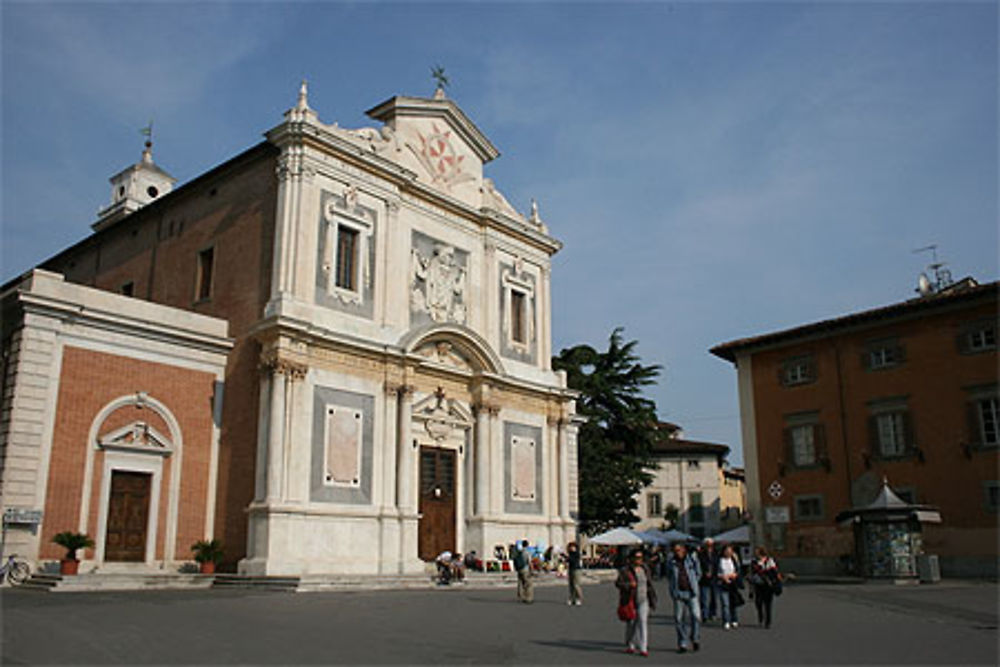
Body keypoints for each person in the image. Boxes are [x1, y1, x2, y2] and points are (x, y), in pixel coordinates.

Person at [616, 549, 657, 657]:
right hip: (630, 600)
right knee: (631, 623)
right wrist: (629, 584)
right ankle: (630, 644)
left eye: (641, 558)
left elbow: (649, 584)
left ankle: (643, 648)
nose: (639, 560)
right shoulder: (625, 570)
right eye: (637, 558)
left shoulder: (645, 569)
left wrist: (652, 598)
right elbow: (618, 583)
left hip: (644, 599)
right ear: (632, 558)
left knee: (643, 622)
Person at [665, 541, 702, 654]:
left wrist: (694, 582)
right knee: (679, 619)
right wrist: (672, 589)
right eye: (675, 551)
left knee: (696, 616)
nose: (678, 553)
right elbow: (668, 575)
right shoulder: (671, 562)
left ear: (684, 550)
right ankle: (683, 642)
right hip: (678, 593)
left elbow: (698, 573)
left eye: (679, 550)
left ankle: (695, 638)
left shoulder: (691, 559)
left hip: (691, 592)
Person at [749, 547, 782, 628]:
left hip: (768, 585)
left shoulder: (770, 561)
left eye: (757, 552)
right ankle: (761, 616)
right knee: (758, 602)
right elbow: (752, 573)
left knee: (768, 604)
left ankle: (768, 622)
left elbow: (775, 572)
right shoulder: (754, 562)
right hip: (758, 584)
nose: (755, 554)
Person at [717, 543, 741, 629]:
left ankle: (734, 619)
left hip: (733, 584)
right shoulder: (719, 560)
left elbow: (738, 570)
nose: (728, 552)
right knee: (725, 603)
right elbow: (716, 572)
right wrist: (723, 577)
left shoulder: (733, 560)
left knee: (733, 603)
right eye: (727, 551)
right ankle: (726, 620)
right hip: (723, 584)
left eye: (730, 551)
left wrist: (734, 575)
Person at [697, 538, 719, 622]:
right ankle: (704, 614)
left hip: (714, 578)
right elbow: (699, 565)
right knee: (704, 598)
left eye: (711, 544)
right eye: (707, 545)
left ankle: (712, 613)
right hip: (704, 579)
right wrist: (704, 572)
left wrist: (715, 573)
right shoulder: (701, 554)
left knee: (714, 597)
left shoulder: (716, 554)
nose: (709, 546)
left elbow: (717, 565)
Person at [566, 542, 583, 606]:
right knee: (571, 584)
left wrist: (567, 557)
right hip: (571, 569)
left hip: (576, 569)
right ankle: (572, 598)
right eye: (570, 547)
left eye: (573, 547)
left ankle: (578, 598)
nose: (571, 548)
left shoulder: (577, 554)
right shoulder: (570, 554)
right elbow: (568, 560)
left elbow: (573, 560)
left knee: (576, 584)